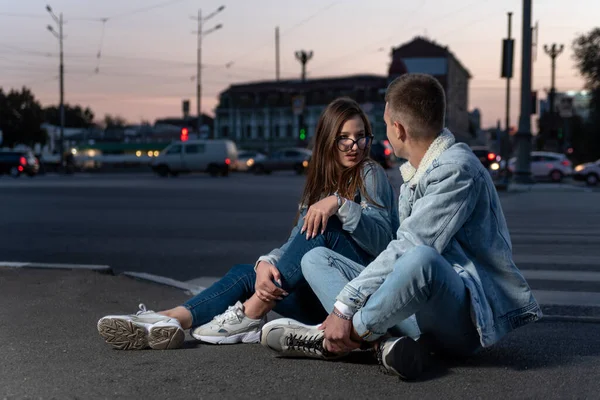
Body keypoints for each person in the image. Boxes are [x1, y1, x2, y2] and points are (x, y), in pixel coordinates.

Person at [260, 73, 542, 380]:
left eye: (384, 123)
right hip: (418, 313)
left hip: (462, 321)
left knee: (422, 258)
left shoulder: (456, 168)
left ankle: (337, 340)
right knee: (314, 259)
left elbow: (412, 246)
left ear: (399, 129)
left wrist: (343, 310)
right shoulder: (417, 174)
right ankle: (385, 346)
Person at [97, 97, 417, 351]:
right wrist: (268, 262)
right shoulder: (319, 185)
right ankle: (169, 320)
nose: (355, 146)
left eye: (361, 136)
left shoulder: (369, 173)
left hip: (358, 293)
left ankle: (251, 313)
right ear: (327, 141)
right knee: (249, 272)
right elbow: (298, 241)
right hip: (322, 301)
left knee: (326, 227)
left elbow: (383, 242)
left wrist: (340, 204)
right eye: (344, 138)